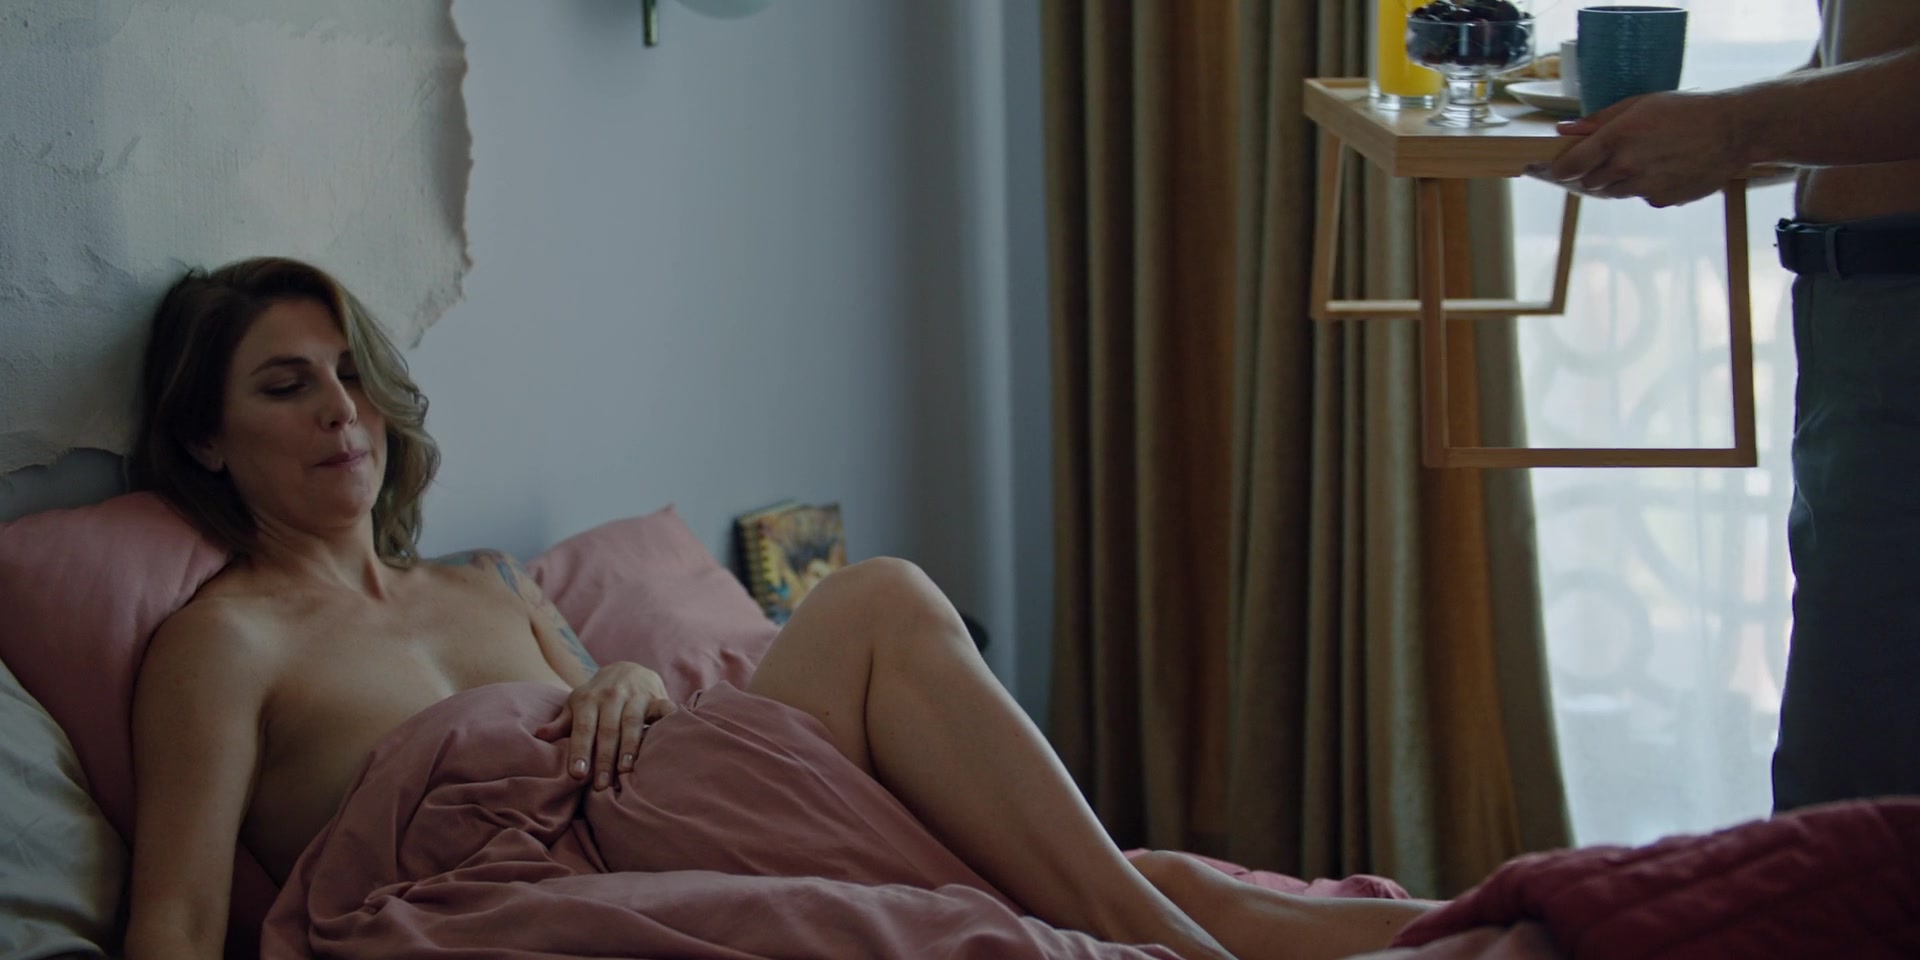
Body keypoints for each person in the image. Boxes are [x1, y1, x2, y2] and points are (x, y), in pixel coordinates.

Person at [120, 256, 1430, 960]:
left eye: (350, 374)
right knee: (1020, 909)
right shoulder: (224, 642)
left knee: (880, 601)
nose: (341, 411)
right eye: (287, 386)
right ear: (206, 440)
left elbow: (610, 712)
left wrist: (626, 676)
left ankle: (1493, 926)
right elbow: (175, 922)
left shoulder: (486, 582)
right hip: (540, 890)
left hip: (679, 792)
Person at [1537, 2, 1920, 812]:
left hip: (1897, 299)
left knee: (1861, 780)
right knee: (1851, 757)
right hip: (1857, 306)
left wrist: (1734, 127)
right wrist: (1678, 137)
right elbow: (1853, 56)